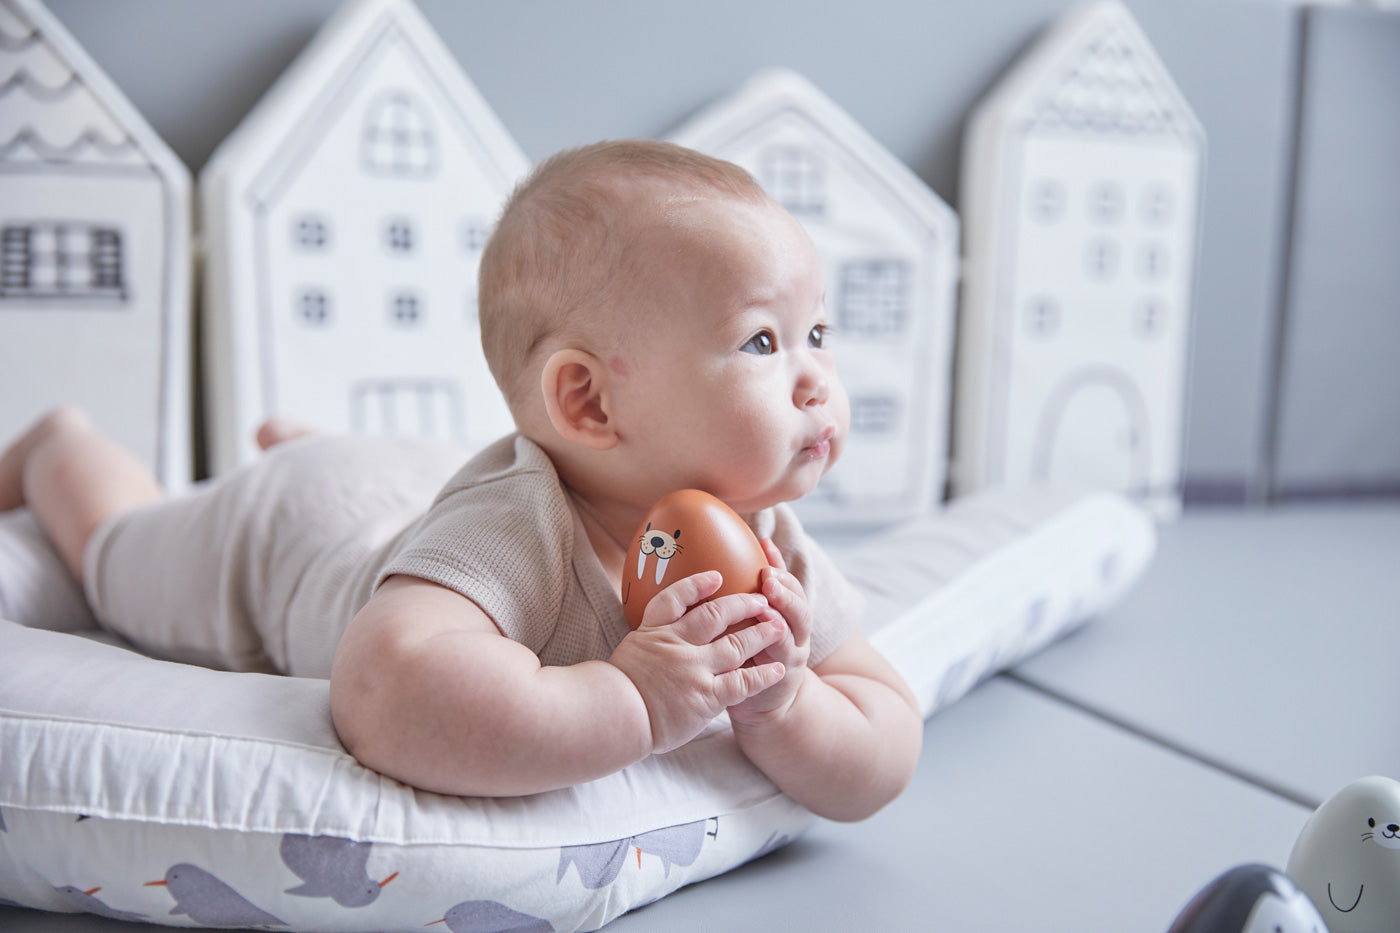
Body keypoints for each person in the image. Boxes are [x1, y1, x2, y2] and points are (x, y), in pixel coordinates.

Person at [0, 140, 922, 822]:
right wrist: (634, 701)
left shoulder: (769, 540)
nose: (816, 379)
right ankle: (59, 446)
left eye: (818, 335)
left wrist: (790, 704)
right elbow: (384, 689)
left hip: (406, 483)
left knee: (403, 497)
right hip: (287, 538)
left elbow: (886, 737)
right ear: (590, 406)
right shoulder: (516, 529)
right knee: (116, 551)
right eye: (763, 339)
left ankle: (305, 439)